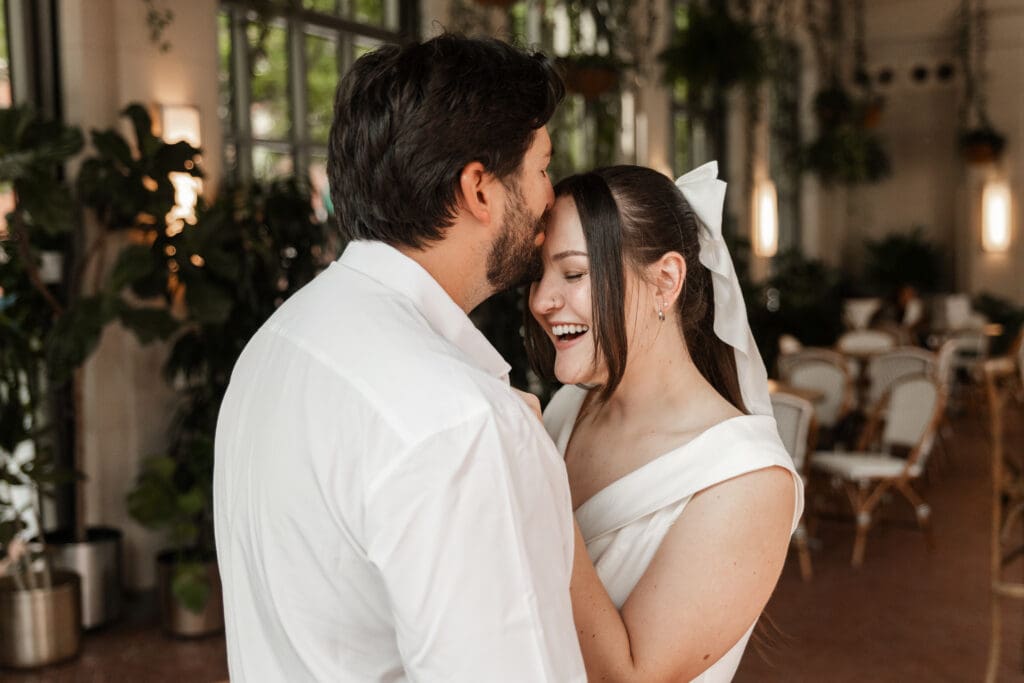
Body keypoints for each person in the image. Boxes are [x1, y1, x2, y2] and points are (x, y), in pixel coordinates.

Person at [213, 34, 586, 682]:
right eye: (542, 169)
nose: (550, 198)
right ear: (479, 189)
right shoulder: (459, 422)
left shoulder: (277, 341)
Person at [526, 163, 804, 682]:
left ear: (666, 281)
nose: (542, 300)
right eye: (538, 275)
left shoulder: (749, 478)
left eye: (574, 274)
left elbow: (630, 677)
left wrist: (530, 478)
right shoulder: (567, 409)